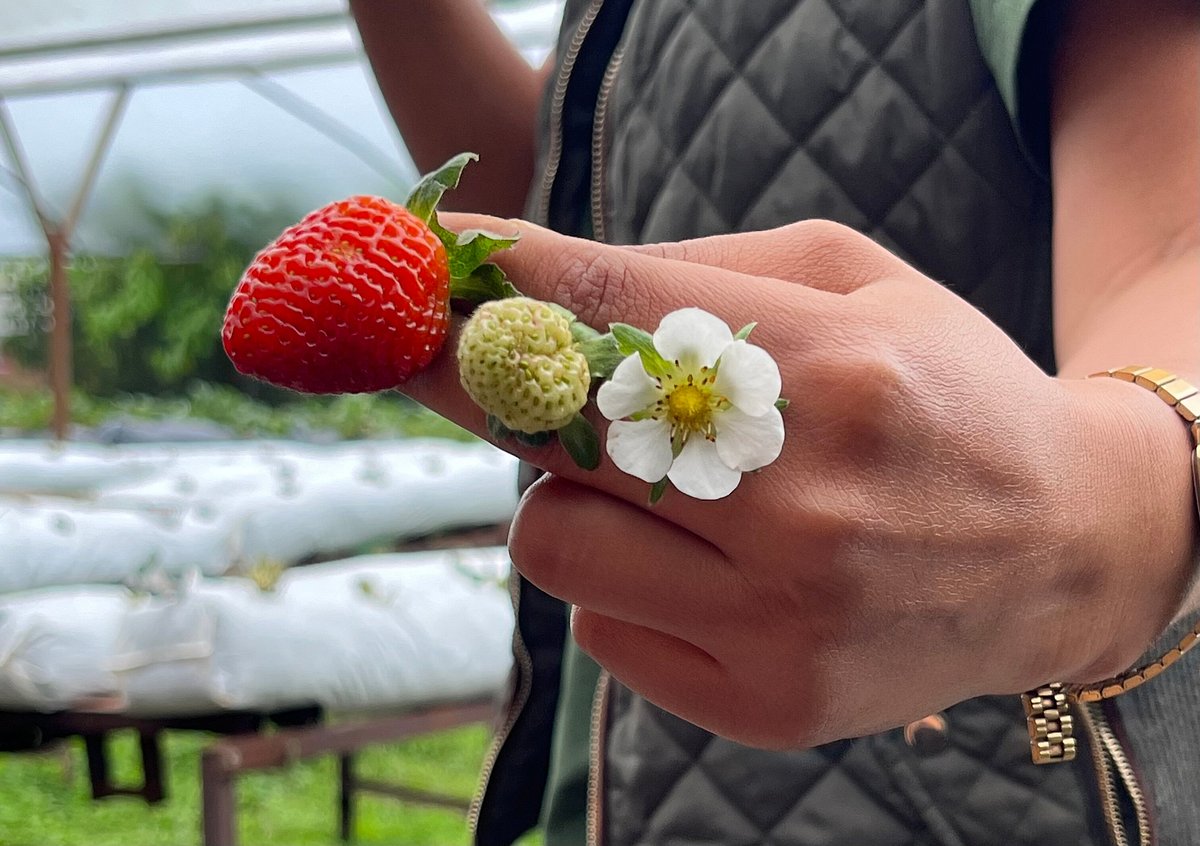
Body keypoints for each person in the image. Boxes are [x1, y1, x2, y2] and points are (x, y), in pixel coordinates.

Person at [350, 1, 1200, 844]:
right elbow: (556, 204)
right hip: (634, 768)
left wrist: (1109, 513)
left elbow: (1171, 240)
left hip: (973, 767)